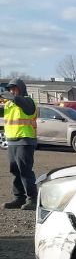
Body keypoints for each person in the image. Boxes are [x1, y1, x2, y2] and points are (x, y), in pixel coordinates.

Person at [1, 79, 38, 210]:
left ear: (21, 89)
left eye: (15, 89)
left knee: (25, 170)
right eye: (10, 89)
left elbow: (20, 102)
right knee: (15, 170)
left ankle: (33, 199)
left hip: (25, 140)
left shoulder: (28, 101)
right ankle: (19, 198)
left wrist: (9, 96)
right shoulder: (8, 105)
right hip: (11, 141)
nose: (12, 91)